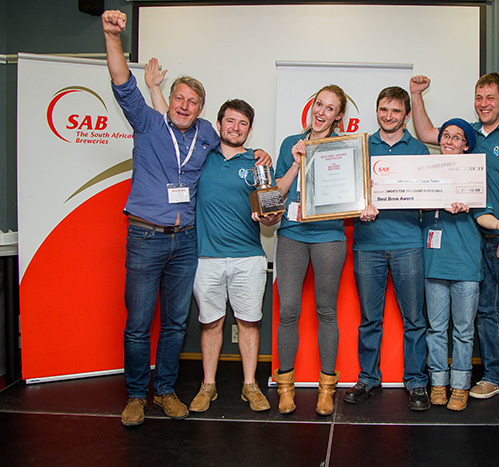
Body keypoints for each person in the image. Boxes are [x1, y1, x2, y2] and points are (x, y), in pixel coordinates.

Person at [103, 10, 269, 427]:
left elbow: (240, 143)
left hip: (186, 242)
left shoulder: (207, 137)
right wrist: (112, 37)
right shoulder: (147, 123)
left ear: (201, 111)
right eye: (179, 99)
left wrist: (263, 154)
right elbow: (123, 84)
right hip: (145, 236)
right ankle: (137, 395)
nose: (184, 105)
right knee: (140, 323)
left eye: (192, 102)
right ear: (169, 100)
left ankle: (165, 391)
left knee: (176, 324)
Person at [410, 73, 499, 411]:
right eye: (479, 97)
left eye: (490, 97)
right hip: (477, 241)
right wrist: (416, 94)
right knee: (487, 315)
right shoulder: (469, 134)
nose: (484, 103)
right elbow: (427, 134)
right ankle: (495, 376)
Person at [186, 99, 282, 414]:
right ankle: (209, 385)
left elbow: (270, 212)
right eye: (230, 121)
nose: (235, 128)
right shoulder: (201, 158)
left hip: (249, 259)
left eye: (242, 123)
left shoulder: (258, 163)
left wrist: (269, 218)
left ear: (249, 129)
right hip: (206, 258)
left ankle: (250, 385)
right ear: (219, 124)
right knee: (211, 324)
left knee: (249, 323)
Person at [424, 118, 499, 412]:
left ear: (467, 146)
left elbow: (483, 214)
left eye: (457, 137)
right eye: (446, 136)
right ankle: (439, 382)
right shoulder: (426, 173)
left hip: (467, 266)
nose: (449, 141)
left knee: (464, 331)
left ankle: (460, 385)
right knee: (436, 328)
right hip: (434, 264)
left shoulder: (474, 177)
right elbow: (411, 201)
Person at [343, 86, 431, 411]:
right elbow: (347, 192)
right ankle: (368, 378)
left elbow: (429, 192)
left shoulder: (420, 150)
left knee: (415, 320)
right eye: (383, 109)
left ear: (406, 114)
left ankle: (417, 382)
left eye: (395, 111)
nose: (388, 116)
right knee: (369, 319)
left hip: (409, 243)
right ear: (377, 110)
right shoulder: (360, 146)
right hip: (368, 244)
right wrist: (358, 207)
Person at [273, 85, 349, 416]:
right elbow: (274, 195)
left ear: (338, 116)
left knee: (326, 310)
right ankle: (285, 387)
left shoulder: (345, 148)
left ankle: (326, 388)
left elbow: (351, 196)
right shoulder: (291, 143)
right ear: (312, 106)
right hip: (292, 232)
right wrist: (295, 162)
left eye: (330, 108)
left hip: (329, 235)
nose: (321, 112)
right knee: (288, 309)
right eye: (319, 104)